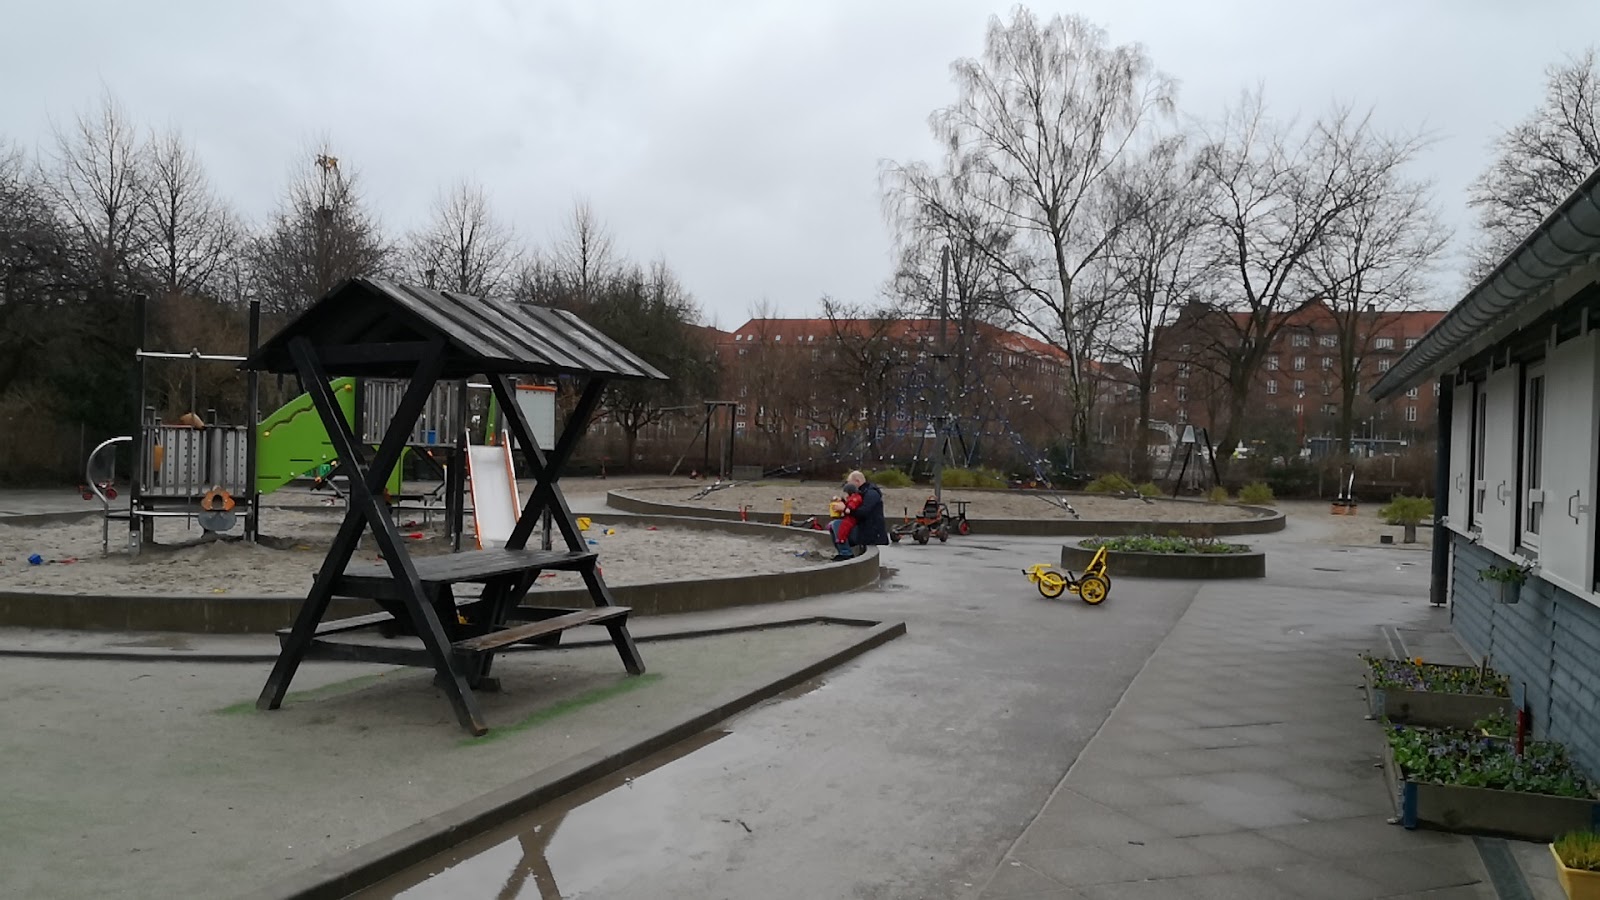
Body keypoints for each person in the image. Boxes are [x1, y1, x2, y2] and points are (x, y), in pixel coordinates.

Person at [832, 470, 889, 560]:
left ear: (857, 481)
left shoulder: (871, 493)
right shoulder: (861, 493)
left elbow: (863, 512)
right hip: (863, 529)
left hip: (870, 533)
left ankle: (846, 553)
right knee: (834, 525)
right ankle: (843, 552)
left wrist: (845, 509)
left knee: (836, 524)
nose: (847, 485)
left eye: (849, 482)